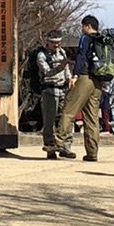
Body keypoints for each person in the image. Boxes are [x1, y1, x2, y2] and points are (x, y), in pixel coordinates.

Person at [55, 15, 114, 163]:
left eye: (82, 26)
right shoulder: (102, 40)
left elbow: (82, 56)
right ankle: (92, 153)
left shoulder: (85, 38)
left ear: (87, 26)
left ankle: (58, 142)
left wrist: (75, 75)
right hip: (99, 82)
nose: (82, 29)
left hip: (85, 77)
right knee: (92, 118)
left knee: (69, 109)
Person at [30, 28, 71, 160]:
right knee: (49, 120)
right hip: (49, 90)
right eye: (54, 42)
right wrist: (60, 67)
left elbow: (66, 69)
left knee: (66, 119)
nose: (56, 45)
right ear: (48, 42)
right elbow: (47, 72)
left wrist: (69, 78)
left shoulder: (62, 52)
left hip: (63, 88)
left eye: (58, 42)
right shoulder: (41, 55)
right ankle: (49, 147)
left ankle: (65, 147)